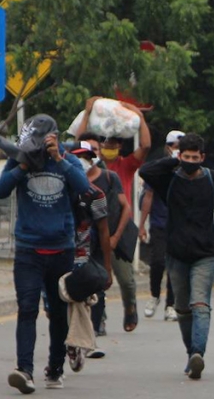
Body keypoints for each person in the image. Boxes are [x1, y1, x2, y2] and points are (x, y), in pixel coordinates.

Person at [1, 115, 90, 393]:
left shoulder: (67, 159)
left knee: (58, 311)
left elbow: (85, 188)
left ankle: (55, 368)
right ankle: (24, 370)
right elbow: (2, 190)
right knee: (27, 309)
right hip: (28, 249)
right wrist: (23, 165)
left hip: (61, 248)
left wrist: (59, 158)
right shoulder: (20, 159)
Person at [139, 134, 214, 380]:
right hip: (176, 253)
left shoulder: (212, 179)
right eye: (186, 157)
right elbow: (145, 171)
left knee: (200, 304)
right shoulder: (170, 180)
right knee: (182, 308)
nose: (191, 161)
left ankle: (198, 353)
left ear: (202, 158)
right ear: (179, 156)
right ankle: (190, 354)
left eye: (196, 157)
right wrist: (173, 162)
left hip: (205, 252)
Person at [77, 133, 138, 334]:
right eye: (86, 152)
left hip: (111, 239)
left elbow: (126, 208)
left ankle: (130, 309)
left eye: (94, 150)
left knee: (126, 281)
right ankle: (97, 322)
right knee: (95, 281)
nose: (90, 156)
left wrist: (115, 237)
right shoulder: (74, 179)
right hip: (85, 241)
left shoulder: (110, 178)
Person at [65, 141, 114, 372]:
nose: (83, 162)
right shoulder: (59, 188)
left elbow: (104, 232)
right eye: (78, 157)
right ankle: (68, 342)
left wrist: (107, 268)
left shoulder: (96, 194)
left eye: (87, 157)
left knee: (79, 301)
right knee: (54, 306)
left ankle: (78, 344)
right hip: (55, 251)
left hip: (82, 255)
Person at [139, 131, 184, 321]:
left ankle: (171, 305)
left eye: (180, 147)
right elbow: (148, 196)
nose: (177, 150)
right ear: (168, 147)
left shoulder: (187, 169)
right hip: (159, 223)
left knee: (174, 266)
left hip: (179, 225)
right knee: (158, 262)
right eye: (174, 146)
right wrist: (141, 224)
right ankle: (155, 295)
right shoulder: (159, 169)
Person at [75, 97, 151, 203]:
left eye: (113, 143)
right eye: (107, 142)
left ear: (120, 146)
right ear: (100, 145)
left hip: (120, 217)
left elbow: (145, 146)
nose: (109, 146)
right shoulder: (91, 164)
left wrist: (141, 118)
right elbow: (79, 144)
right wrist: (87, 114)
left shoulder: (126, 165)